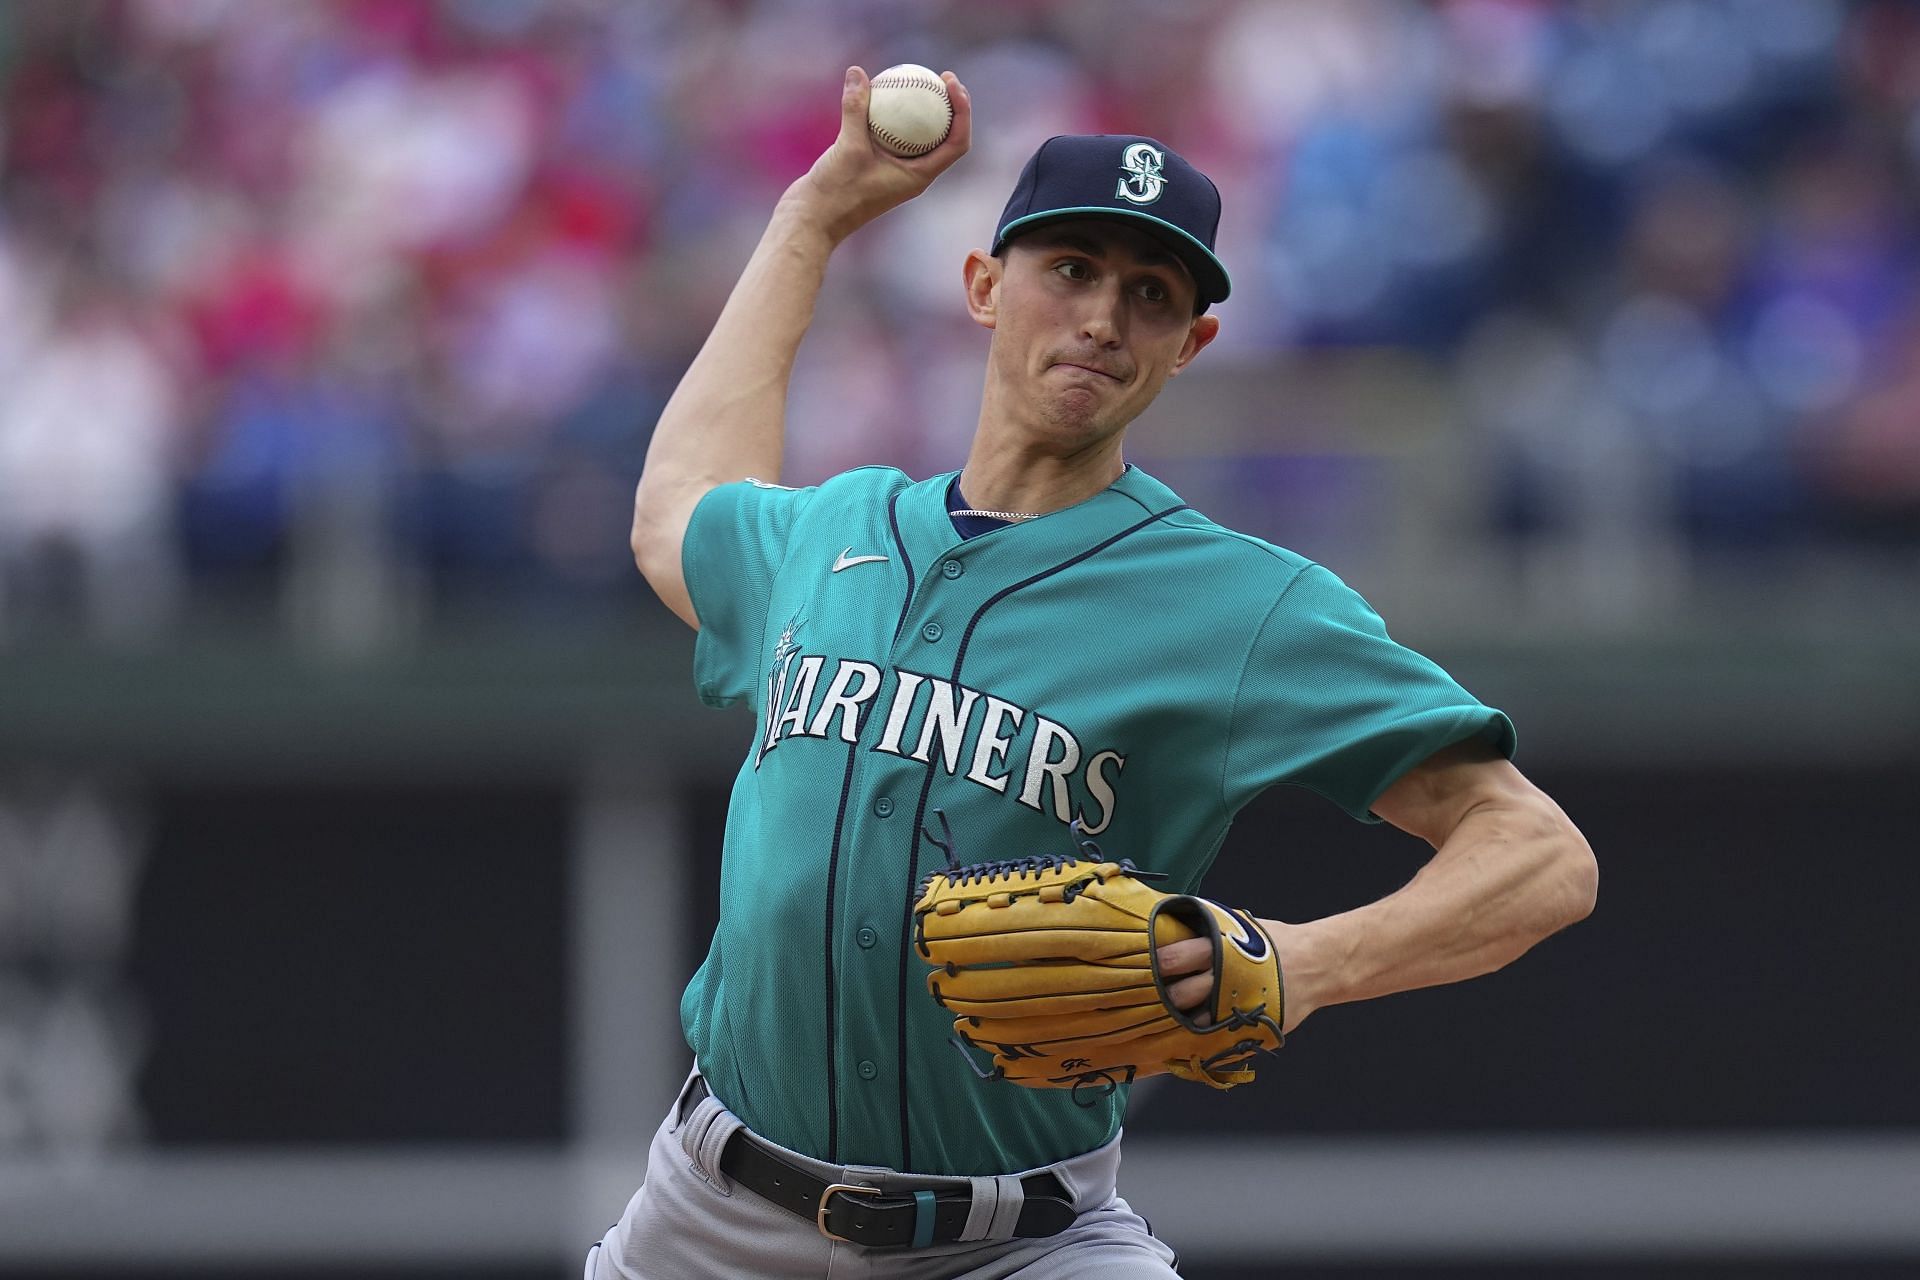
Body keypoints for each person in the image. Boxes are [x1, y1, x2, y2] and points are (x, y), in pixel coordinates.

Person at [600, 65, 1598, 1279]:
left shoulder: (1238, 602)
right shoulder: (832, 529)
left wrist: (1301, 964)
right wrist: (812, 219)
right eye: (1069, 269)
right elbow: (675, 514)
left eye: (1151, 292)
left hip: (1024, 1244)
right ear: (984, 286)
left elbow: (1541, 854)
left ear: (1192, 343)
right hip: (712, 1221)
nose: (1102, 317)